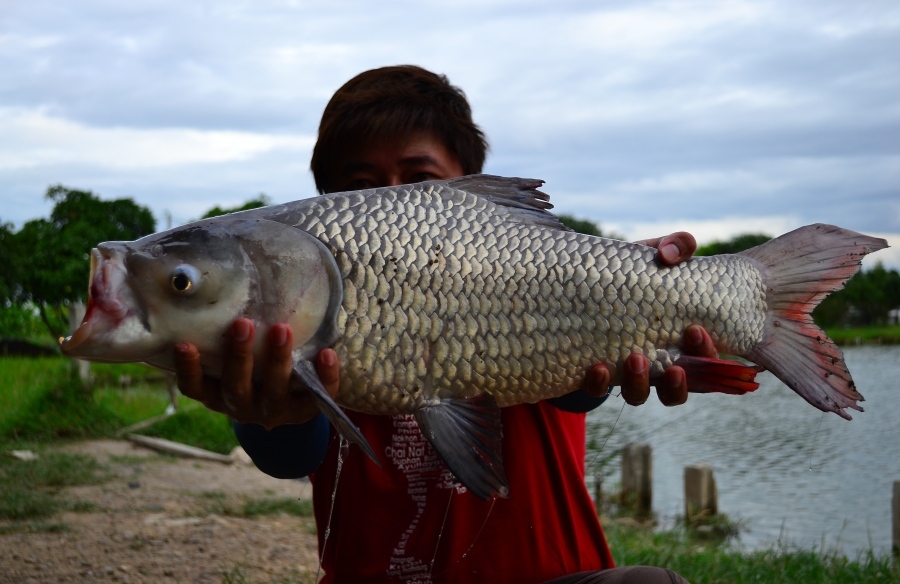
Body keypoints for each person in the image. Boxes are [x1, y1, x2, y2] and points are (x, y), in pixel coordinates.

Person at [174, 65, 716, 583]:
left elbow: (581, 395)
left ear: (471, 190)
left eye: (419, 179)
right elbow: (290, 455)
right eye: (362, 185)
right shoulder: (300, 313)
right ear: (329, 208)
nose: (393, 199)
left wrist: (637, 290)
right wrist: (269, 411)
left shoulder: (532, 270)